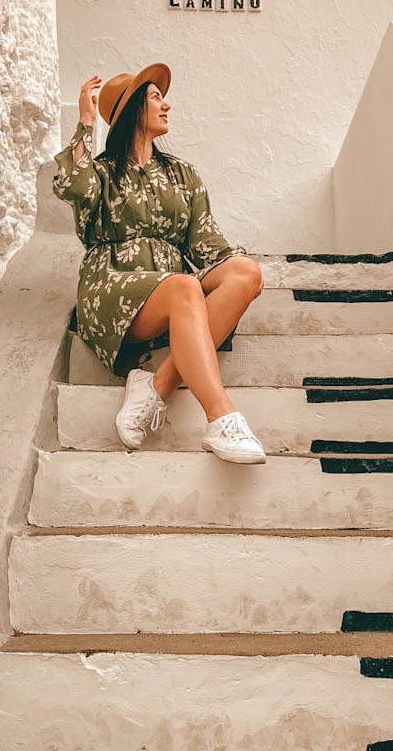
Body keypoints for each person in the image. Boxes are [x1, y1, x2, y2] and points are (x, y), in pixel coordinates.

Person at [52, 62, 267, 463]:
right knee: (183, 286)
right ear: (133, 109)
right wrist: (85, 120)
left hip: (171, 291)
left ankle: (158, 384)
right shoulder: (99, 173)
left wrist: (238, 273)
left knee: (246, 273)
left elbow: (206, 244)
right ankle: (221, 418)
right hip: (111, 286)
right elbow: (70, 184)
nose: (166, 105)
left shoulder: (183, 174)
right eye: (155, 98)